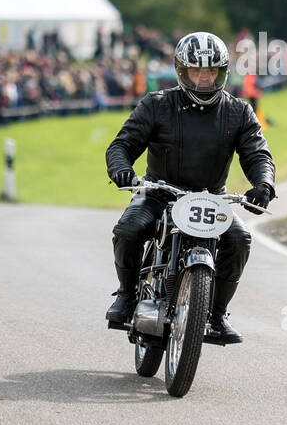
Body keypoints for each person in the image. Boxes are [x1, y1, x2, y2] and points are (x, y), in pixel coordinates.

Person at [104, 32, 277, 344]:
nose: (203, 79)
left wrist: (263, 183)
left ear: (222, 73)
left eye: (211, 71)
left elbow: (257, 154)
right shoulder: (157, 105)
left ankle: (217, 313)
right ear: (181, 72)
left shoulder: (239, 112)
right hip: (158, 193)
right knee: (128, 230)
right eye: (196, 71)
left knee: (240, 240)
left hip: (211, 199)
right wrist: (121, 169)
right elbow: (121, 145)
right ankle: (127, 295)